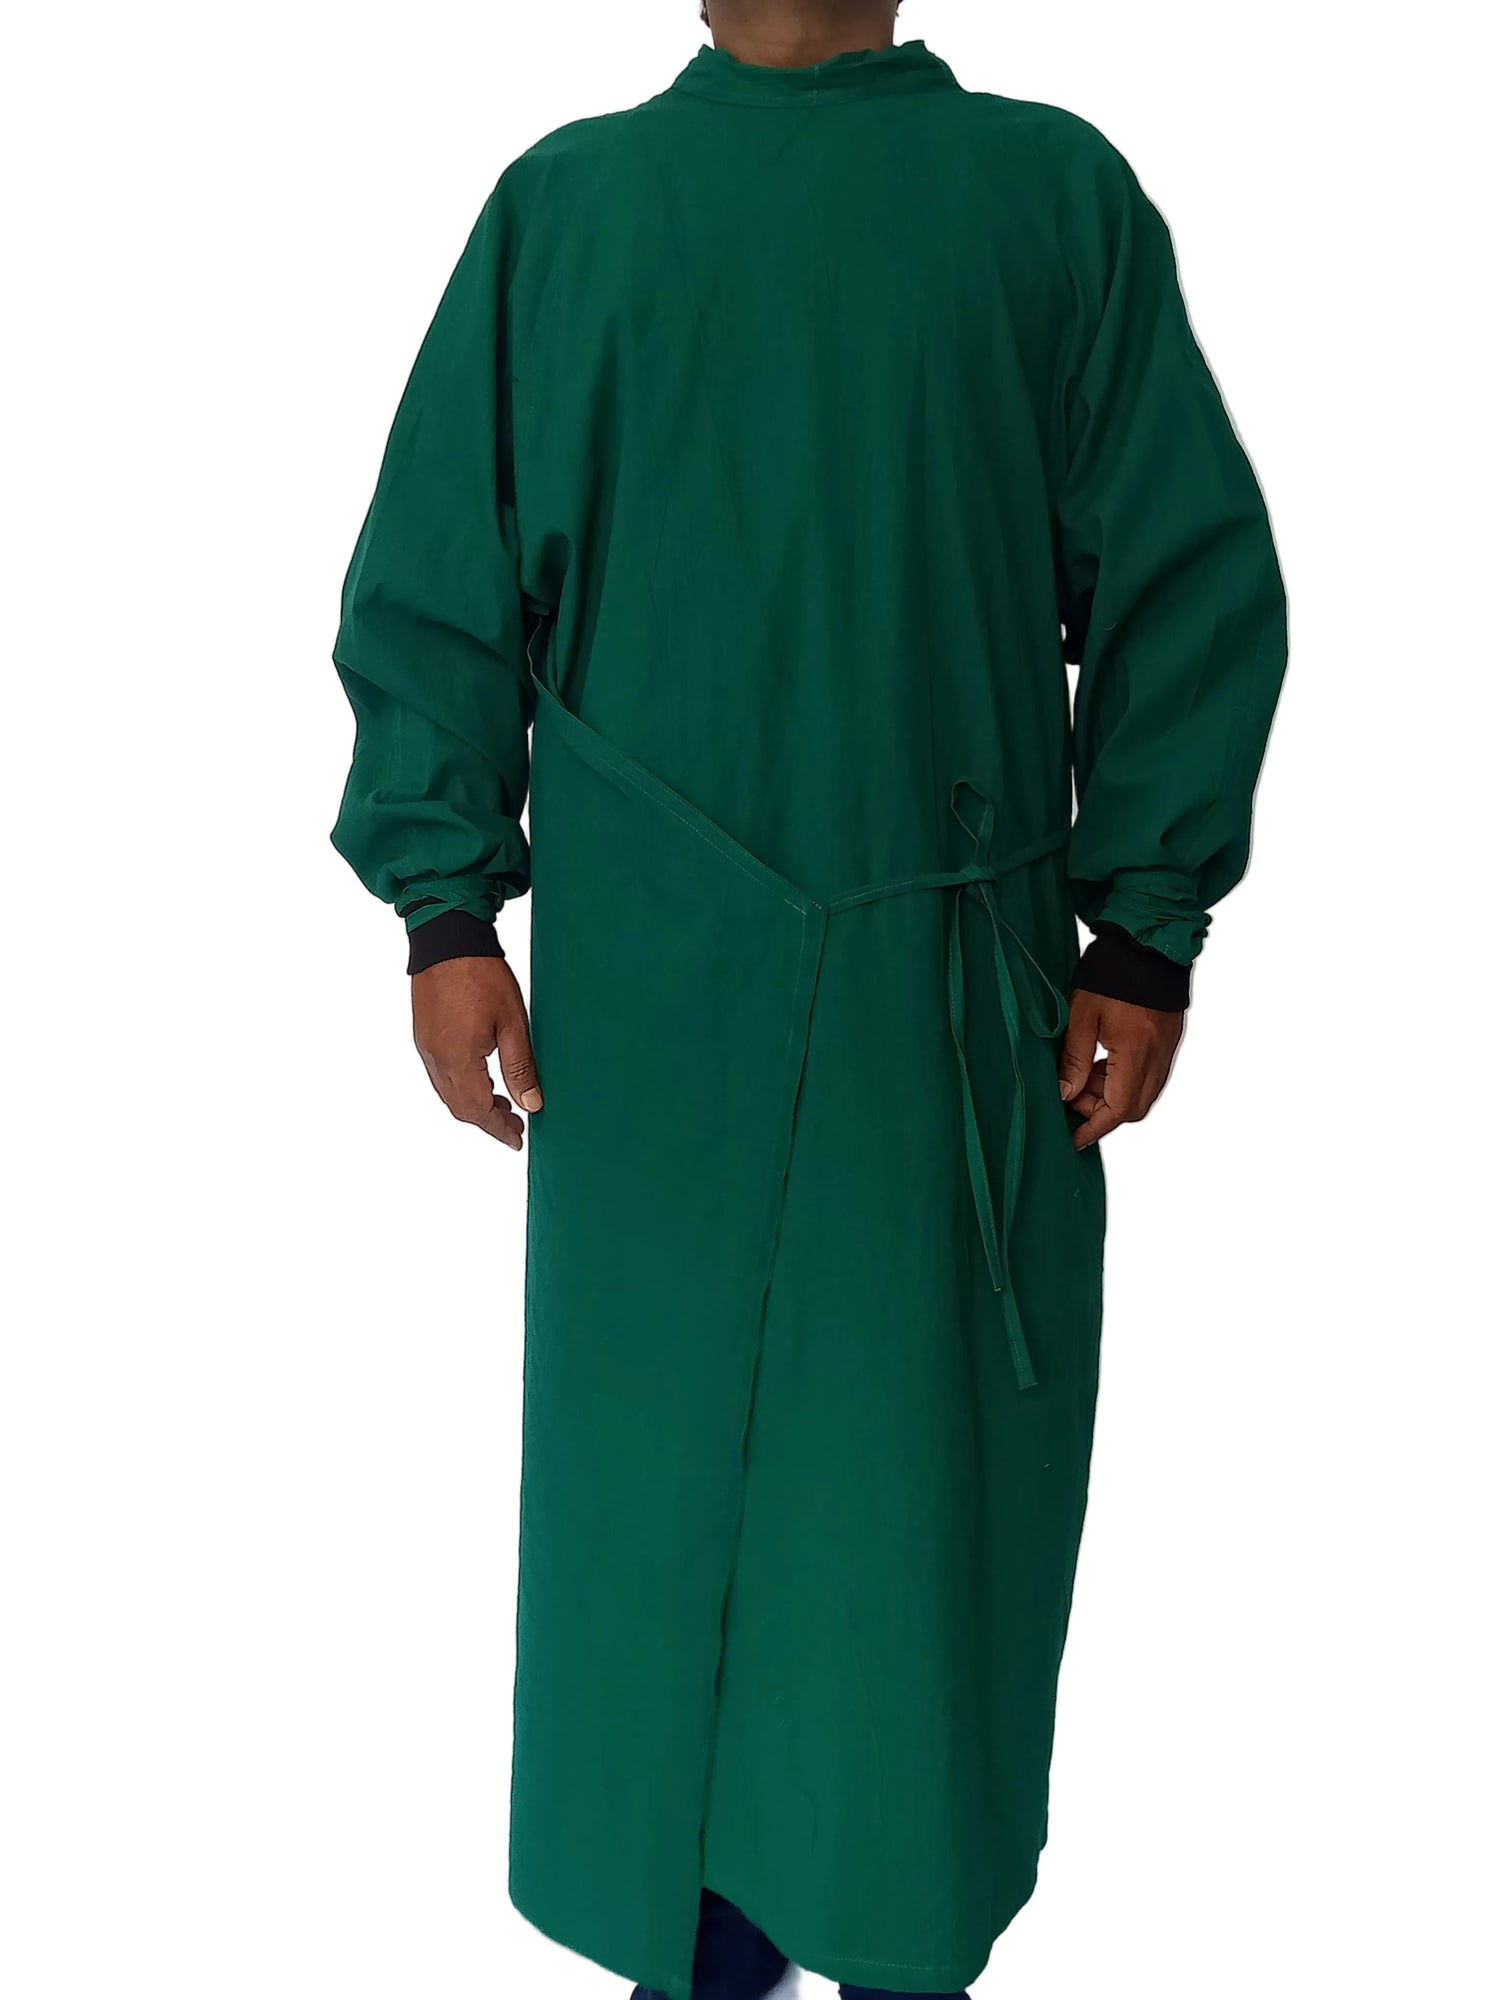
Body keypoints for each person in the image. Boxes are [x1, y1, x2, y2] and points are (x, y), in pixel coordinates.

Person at [330, 3, 1288, 1996]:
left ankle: (891, 1938)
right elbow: (440, 579)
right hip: (650, 1027)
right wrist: (445, 909)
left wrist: (1143, 930)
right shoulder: (567, 213)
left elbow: (1187, 574)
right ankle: (700, 1957)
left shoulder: (1047, 201)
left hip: (945, 1013)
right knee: (664, 1514)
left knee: (900, 1540)